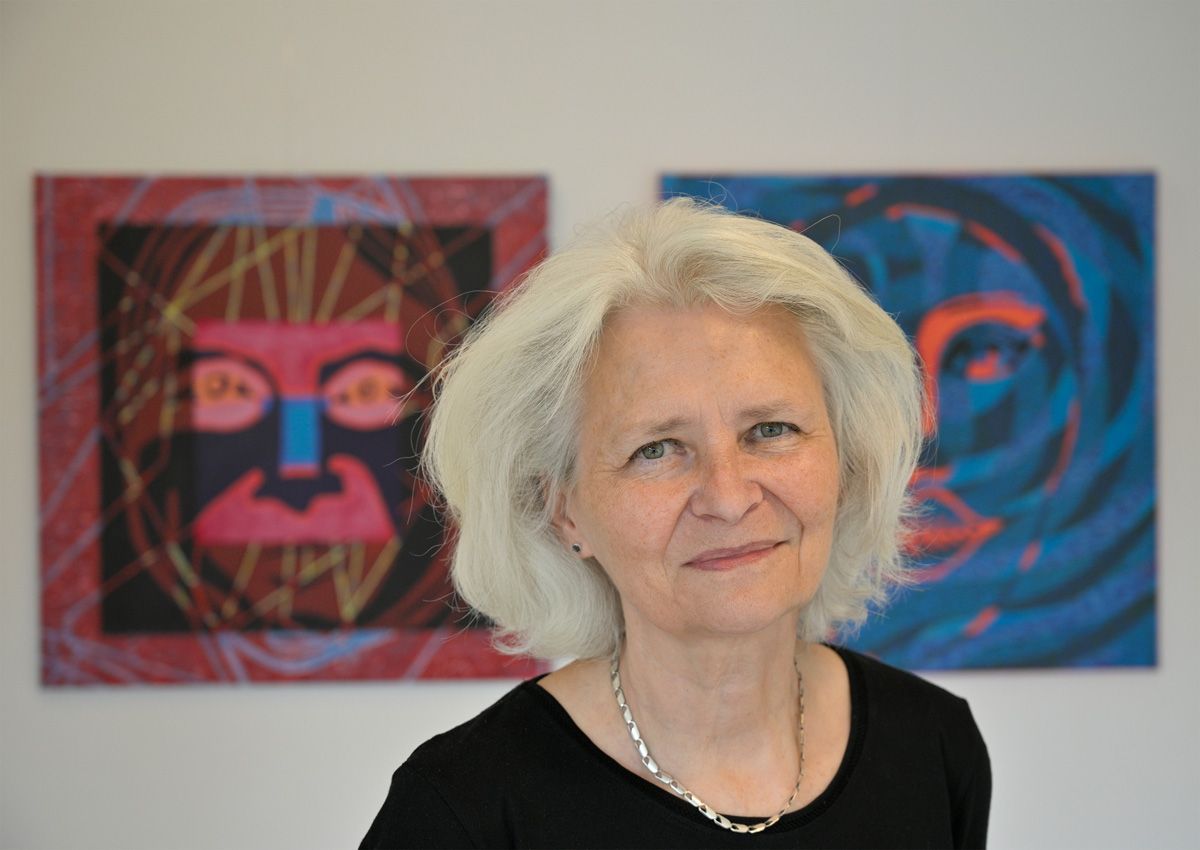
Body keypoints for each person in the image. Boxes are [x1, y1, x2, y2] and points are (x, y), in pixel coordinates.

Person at [360, 199, 991, 849]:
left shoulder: (935, 747)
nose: (728, 498)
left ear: (846, 462)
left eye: (771, 430)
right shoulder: (463, 808)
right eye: (656, 449)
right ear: (564, 510)